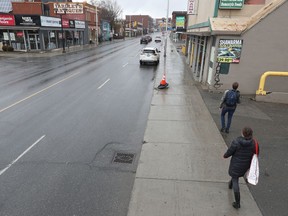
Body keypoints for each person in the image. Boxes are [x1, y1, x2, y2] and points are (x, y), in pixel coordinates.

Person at [223, 127, 259, 209]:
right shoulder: (255, 143)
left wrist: (225, 156)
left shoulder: (236, 142)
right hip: (246, 165)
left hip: (236, 164)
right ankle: (230, 183)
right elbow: (256, 154)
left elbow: (230, 152)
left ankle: (237, 203)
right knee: (236, 175)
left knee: (235, 179)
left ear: (242, 133)